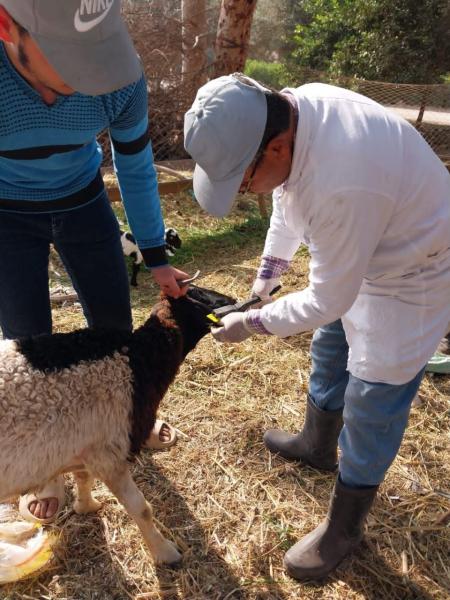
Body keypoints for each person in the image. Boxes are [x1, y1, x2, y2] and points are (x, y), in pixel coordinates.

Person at [184, 73, 450, 581]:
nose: (242, 191)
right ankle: (316, 443)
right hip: (369, 249)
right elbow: (286, 203)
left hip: (415, 268)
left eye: (240, 180)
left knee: (375, 395)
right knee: (331, 347)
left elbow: (328, 297)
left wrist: (252, 322)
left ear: (276, 147)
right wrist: (267, 278)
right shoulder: (296, 111)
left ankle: (345, 527)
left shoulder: (342, 182)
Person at [0, 0, 189, 523]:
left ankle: (129, 419)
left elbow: (135, 167)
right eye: (68, 60)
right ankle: (48, 468)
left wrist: (155, 255)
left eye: (95, 58)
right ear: (7, 27)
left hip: (84, 201)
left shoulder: (121, 77)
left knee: (114, 329)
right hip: (6, 211)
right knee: (27, 339)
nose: (88, 81)